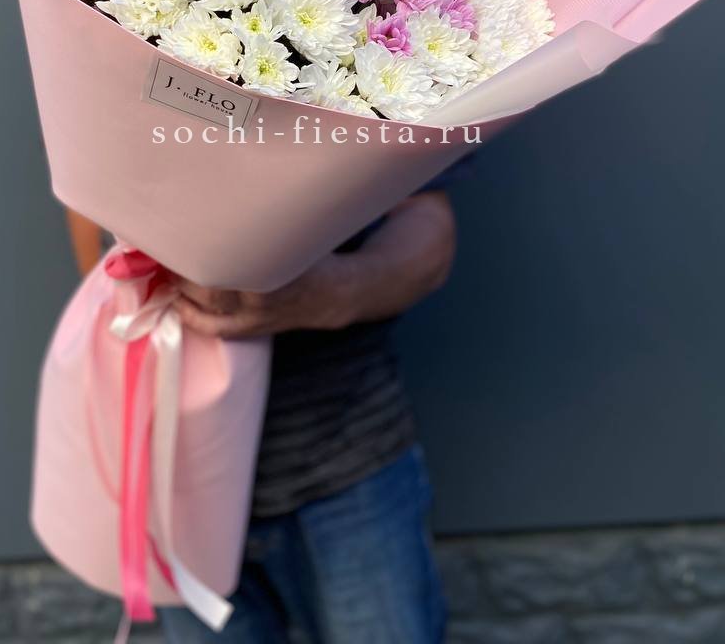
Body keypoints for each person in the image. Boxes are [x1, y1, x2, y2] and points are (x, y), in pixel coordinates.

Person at [67, 172, 462, 644]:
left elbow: (426, 218)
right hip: (180, 482)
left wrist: (329, 294)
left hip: (348, 456)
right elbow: (87, 213)